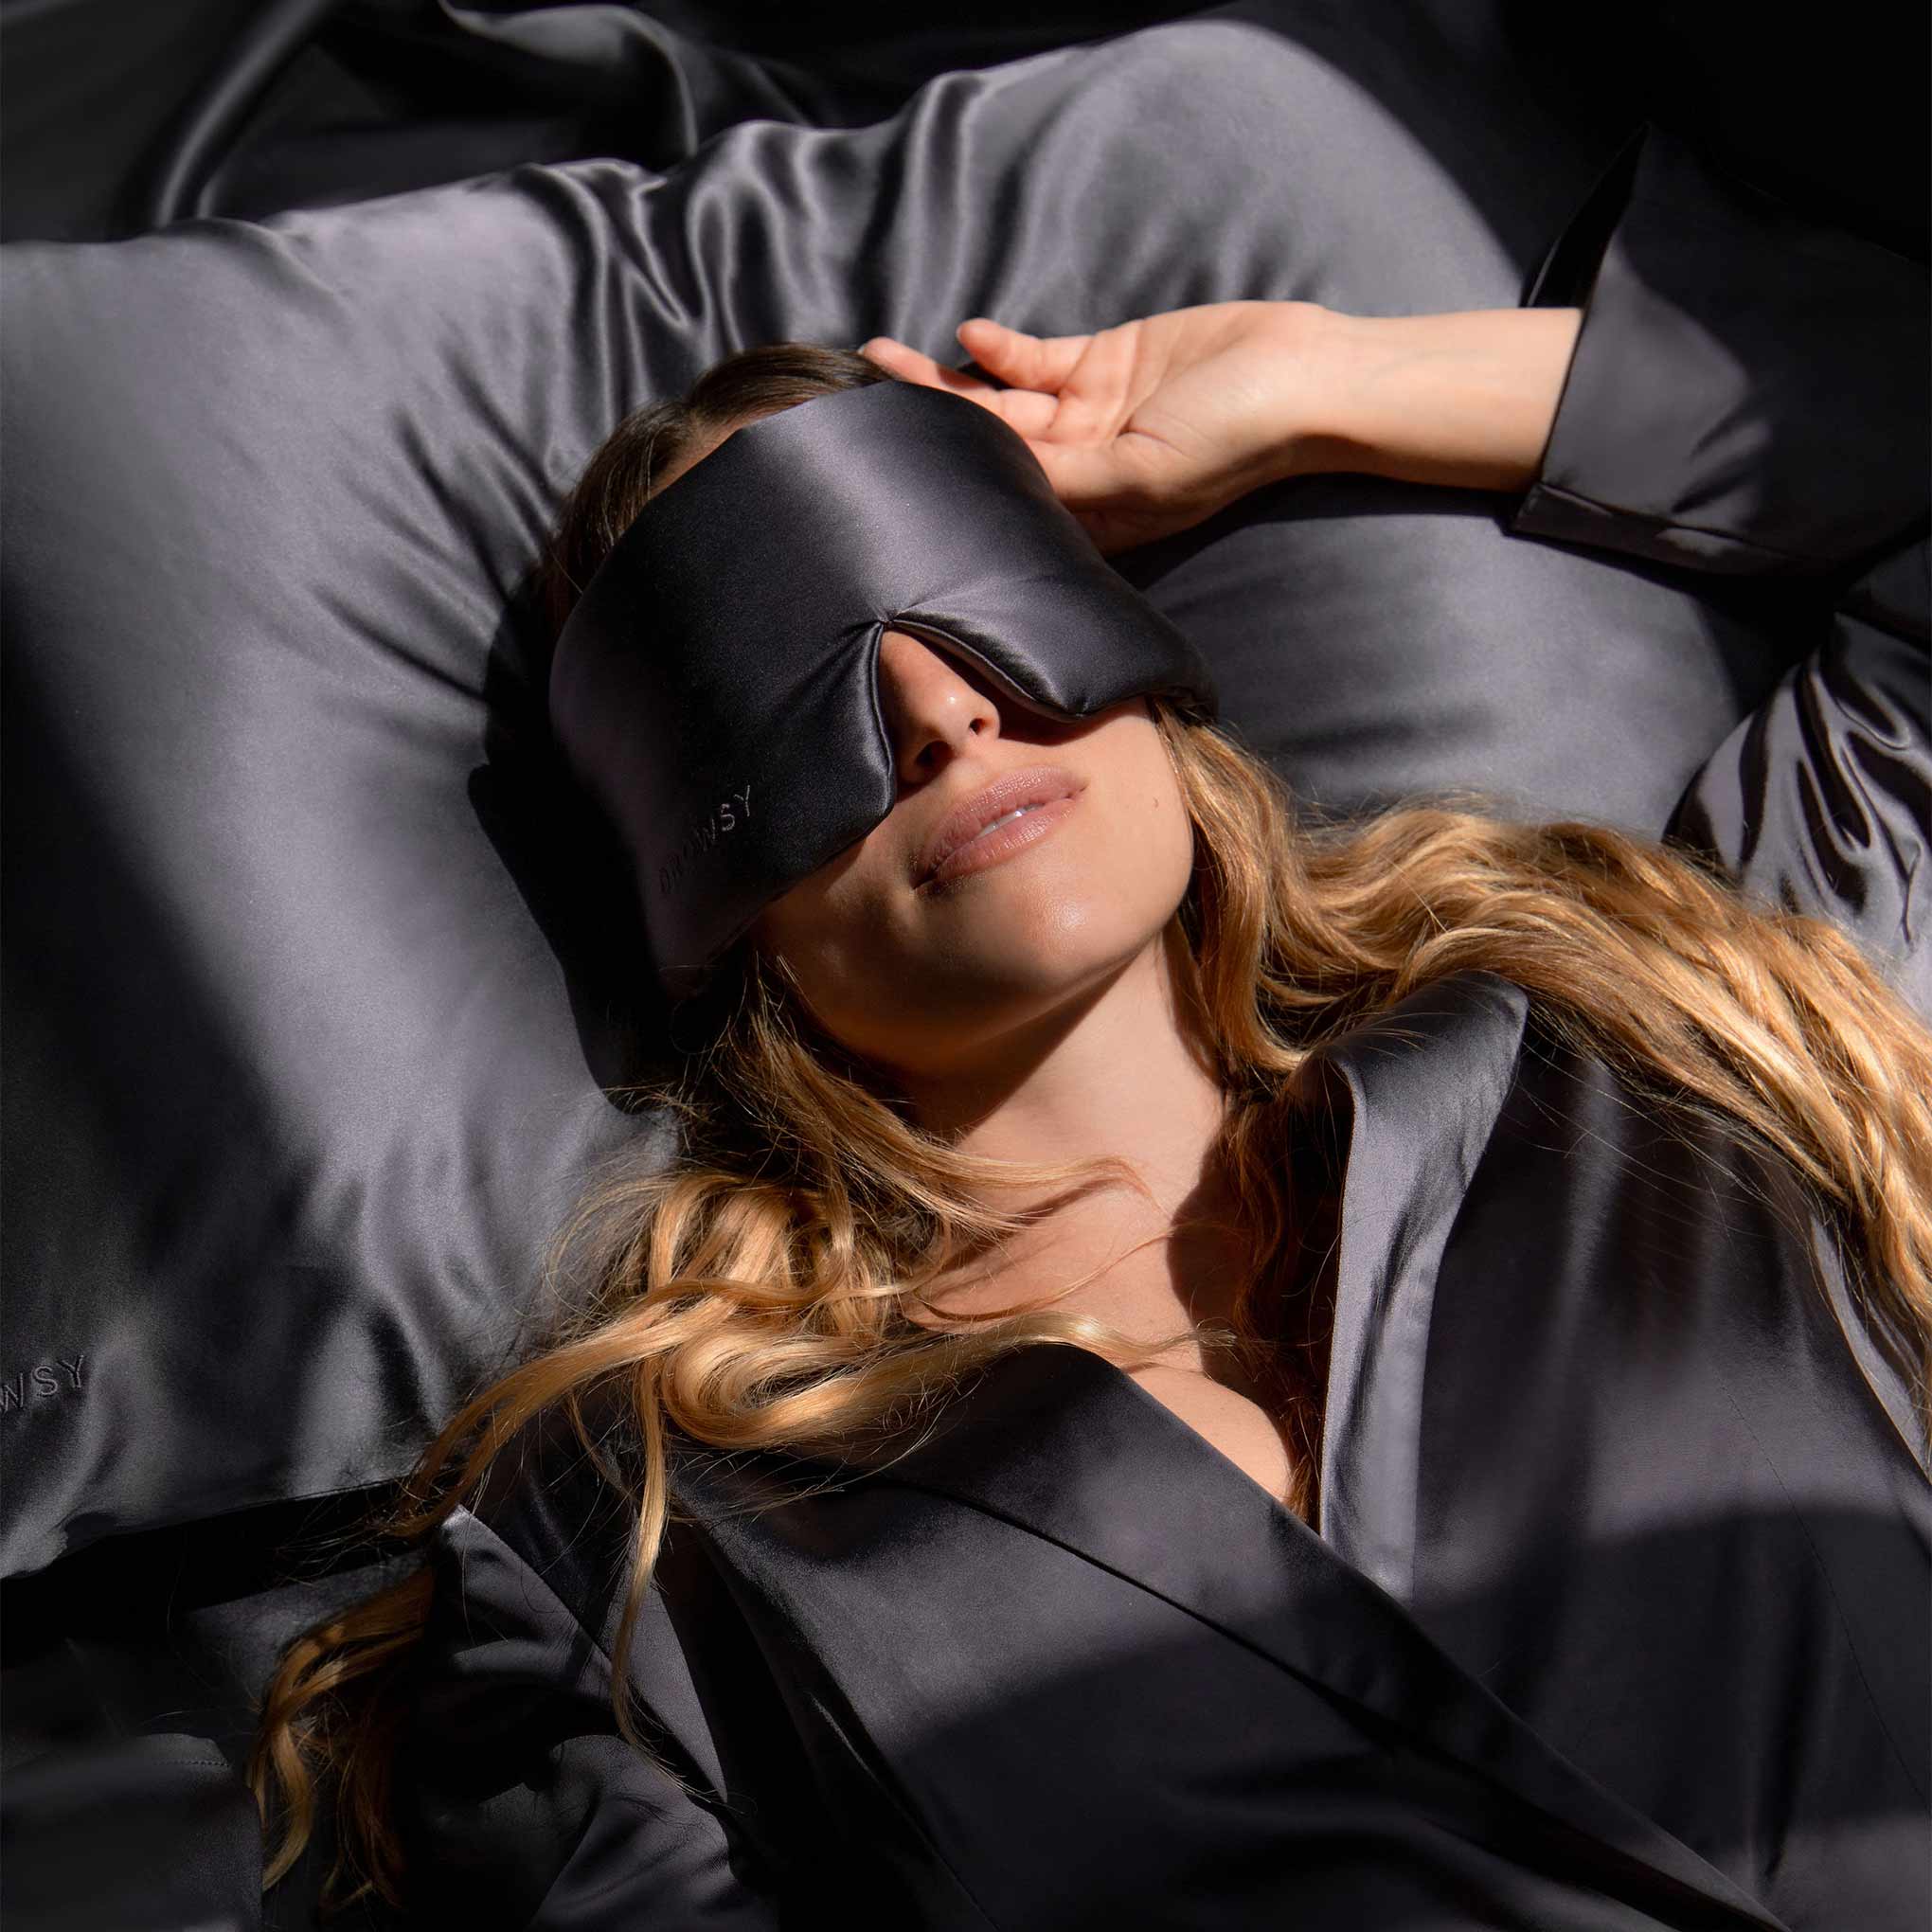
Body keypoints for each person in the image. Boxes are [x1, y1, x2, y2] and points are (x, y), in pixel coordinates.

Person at [250, 120, 1931, 1927]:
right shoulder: (666, 1549)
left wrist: (1318, 386)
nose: (938, 713)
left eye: (973, 589)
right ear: (697, 889)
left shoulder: (1668, 1020)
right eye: (779, 677)